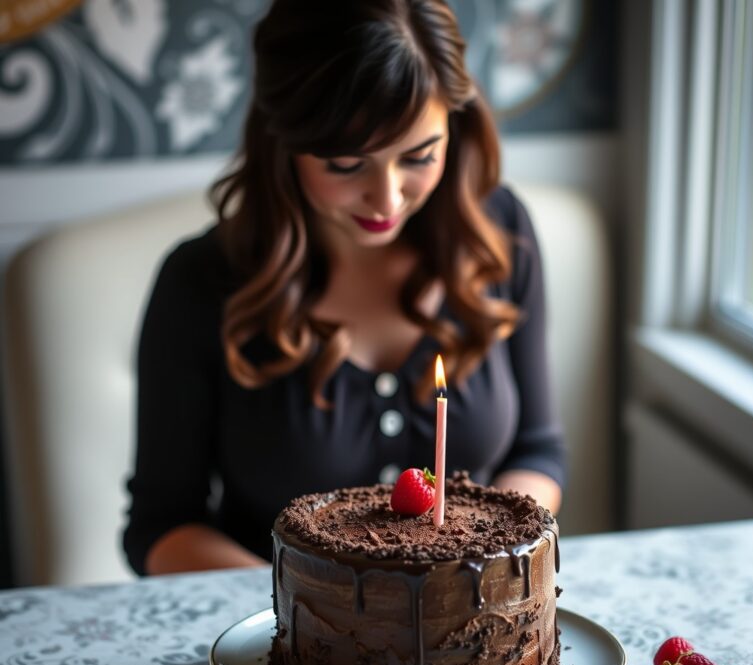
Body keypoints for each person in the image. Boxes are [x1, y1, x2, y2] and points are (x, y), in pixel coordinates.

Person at [123, 0, 566, 576]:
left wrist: (492, 562)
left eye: (419, 156)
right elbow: (161, 528)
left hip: (467, 630)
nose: (387, 199)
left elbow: (538, 452)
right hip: (275, 640)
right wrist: (321, 606)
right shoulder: (200, 282)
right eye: (345, 165)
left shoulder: (498, 236)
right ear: (286, 142)